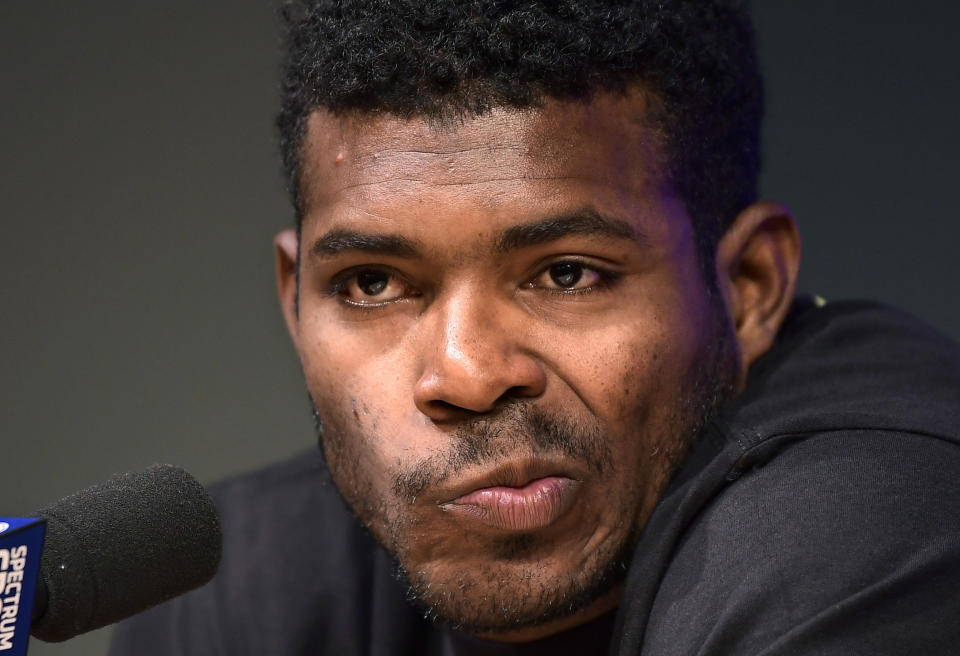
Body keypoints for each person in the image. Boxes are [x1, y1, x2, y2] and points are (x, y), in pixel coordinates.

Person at [109, 1, 960, 654]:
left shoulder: (870, 519)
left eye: (567, 274)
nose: (467, 374)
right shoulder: (228, 593)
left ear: (747, 286)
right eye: (373, 284)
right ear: (296, 301)